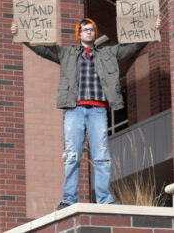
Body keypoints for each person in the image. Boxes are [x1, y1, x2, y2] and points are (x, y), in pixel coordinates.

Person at [11, 17, 161, 210]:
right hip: (75, 110)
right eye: (85, 30)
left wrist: (151, 29)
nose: (89, 32)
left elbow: (131, 48)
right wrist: (21, 35)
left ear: (95, 33)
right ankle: (69, 199)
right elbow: (43, 49)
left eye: (91, 29)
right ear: (79, 34)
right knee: (72, 155)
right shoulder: (66, 53)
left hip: (98, 111)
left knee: (102, 156)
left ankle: (105, 199)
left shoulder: (108, 53)